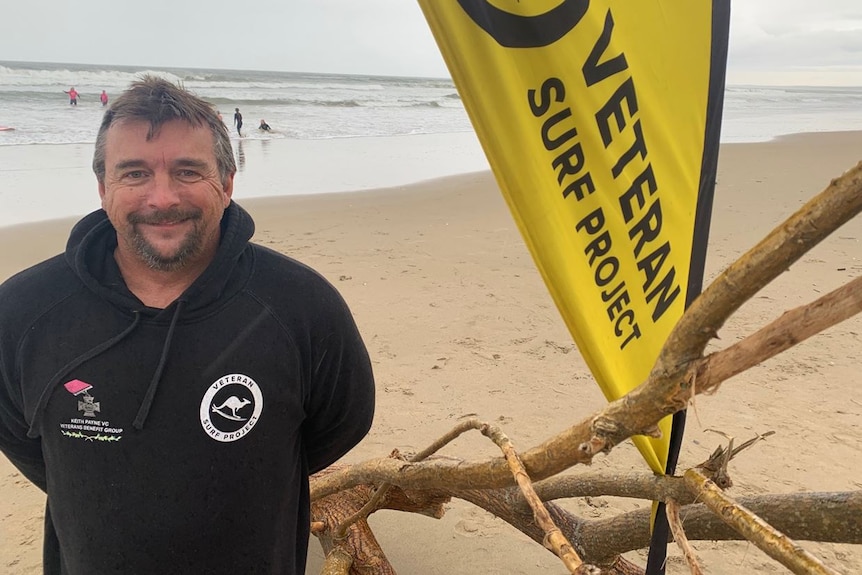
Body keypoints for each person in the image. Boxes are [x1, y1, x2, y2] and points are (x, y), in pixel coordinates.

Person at [0, 76, 375, 574]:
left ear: (226, 184)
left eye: (187, 171)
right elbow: (24, 439)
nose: (161, 197)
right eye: (134, 173)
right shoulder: (24, 310)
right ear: (102, 187)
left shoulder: (300, 306)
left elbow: (339, 426)